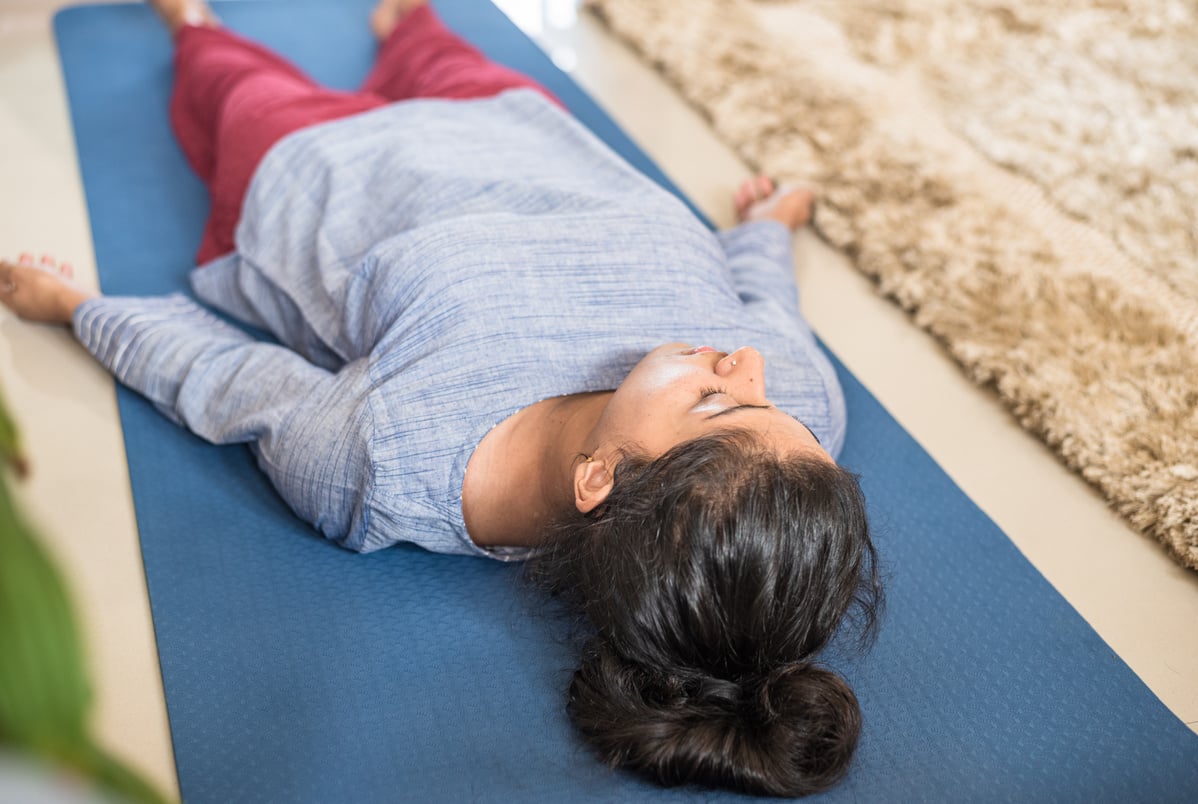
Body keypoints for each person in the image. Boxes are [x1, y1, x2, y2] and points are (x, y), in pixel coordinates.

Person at [0, 0, 881, 796]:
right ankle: (405, 25)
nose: (748, 366)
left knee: (231, 77)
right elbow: (765, 307)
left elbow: (227, 379)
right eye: (776, 407)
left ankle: (186, 19)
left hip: (322, 174)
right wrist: (765, 232)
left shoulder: (387, 463)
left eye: (721, 403)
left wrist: (81, 311)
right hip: (519, 135)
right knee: (439, 48)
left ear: (601, 478)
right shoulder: (802, 407)